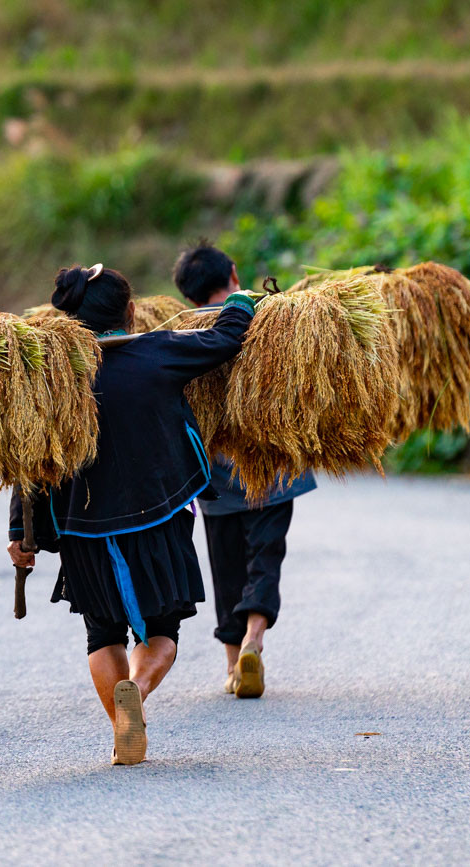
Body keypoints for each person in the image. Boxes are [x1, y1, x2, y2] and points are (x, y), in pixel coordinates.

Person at [9, 263, 255, 765]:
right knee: (162, 632)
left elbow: (28, 461)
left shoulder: (54, 380)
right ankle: (136, 695)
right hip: (157, 521)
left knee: (101, 635)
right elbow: (225, 340)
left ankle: (123, 726)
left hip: (83, 530)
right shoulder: (156, 353)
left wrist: (20, 532)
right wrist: (241, 303)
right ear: (132, 312)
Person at [173, 242, 317, 699]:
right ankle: (256, 636)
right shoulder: (275, 316)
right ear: (234, 273)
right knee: (265, 557)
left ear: (188, 296)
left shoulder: (186, 333)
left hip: (217, 477)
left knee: (226, 565)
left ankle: (234, 665)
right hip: (275, 468)